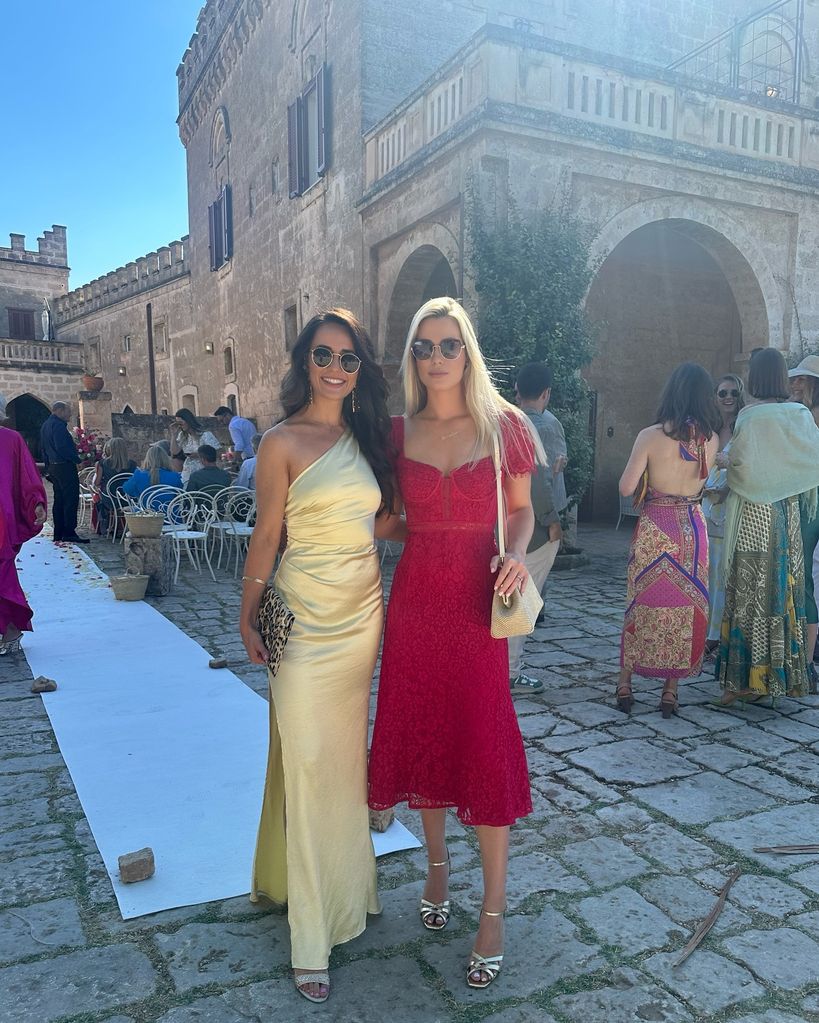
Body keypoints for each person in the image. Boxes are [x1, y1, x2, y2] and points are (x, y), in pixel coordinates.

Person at [368, 296, 542, 992]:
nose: (435, 357)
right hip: (414, 602)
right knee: (424, 732)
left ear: (467, 349)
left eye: (447, 344)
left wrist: (516, 553)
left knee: (482, 737)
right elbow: (383, 519)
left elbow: (522, 507)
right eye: (423, 346)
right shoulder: (393, 433)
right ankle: (436, 868)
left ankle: (492, 911)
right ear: (411, 357)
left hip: (479, 603)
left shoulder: (505, 426)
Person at [239, 309, 395, 1004]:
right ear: (305, 359)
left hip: (360, 617)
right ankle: (310, 933)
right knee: (305, 760)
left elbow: (381, 518)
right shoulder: (280, 441)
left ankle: (346, 892)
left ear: (361, 369)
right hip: (300, 621)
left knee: (340, 762)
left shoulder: (367, 438)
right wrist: (248, 611)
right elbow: (266, 534)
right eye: (324, 354)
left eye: (349, 358)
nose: (335, 367)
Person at [716, 348, 819, 704]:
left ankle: (740, 682)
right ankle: (777, 679)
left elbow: (742, 466)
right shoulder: (800, 415)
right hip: (787, 512)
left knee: (747, 592)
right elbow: (811, 461)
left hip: (753, 512)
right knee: (781, 591)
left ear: (755, 377)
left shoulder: (751, 416)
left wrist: (724, 460)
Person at [617, 363, 720, 717]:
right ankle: (670, 692)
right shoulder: (712, 440)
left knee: (641, 602)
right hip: (692, 527)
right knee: (686, 607)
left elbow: (626, 488)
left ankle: (625, 683)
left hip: (655, 527)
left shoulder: (649, 436)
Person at [509, 361, 568, 696]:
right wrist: (553, 521)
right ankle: (511, 673)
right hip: (538, 525)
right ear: (546, 393)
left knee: (509, 598)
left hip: (504, 524)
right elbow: (544, 475)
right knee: (521, 603)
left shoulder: (503, 421)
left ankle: (503, 668)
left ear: (517, 389)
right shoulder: (547, 425)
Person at [0, 394, 47, 655]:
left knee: (2, 574)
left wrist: (36, 502)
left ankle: (11, 630)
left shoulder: (10, 439)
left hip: (0, 519)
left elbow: (26, 475)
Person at [702, 374, 745, 658]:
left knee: (725, 572)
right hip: (706, 504)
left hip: (730, 505)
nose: (727, 397)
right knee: (707, 571)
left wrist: (729, 489)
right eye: (722, 393)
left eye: (732, 392)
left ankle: (719, 635)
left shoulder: (744, 428)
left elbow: (747, 466)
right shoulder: (709, 429)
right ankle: (704, 631)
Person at [788, 354, 819, 680]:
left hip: (810, 500)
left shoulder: (807, 417)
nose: (794, 384)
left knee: (804, 578)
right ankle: (805, 661)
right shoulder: (802, 414)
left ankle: (806, 663)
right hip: (808, 497)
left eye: (800, 379)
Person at [40, 401, 88, 544]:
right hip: (64, 467)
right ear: (59, 411)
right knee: (70, 499)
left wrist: (48, 468)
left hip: (54, 467)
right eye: (67, 411)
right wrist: (77, 460)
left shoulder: (45, 426)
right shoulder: (58, 426)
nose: (70, 414)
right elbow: (62, 447)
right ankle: (69, 532)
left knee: (59, 499)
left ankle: (58, 532)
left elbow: (43, 449)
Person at [94, 437, 137, 535]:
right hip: (128, 499)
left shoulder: (103, 463)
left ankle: (107, 525)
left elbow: (96, 483)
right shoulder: (132, 464)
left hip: (110, 498)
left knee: (98, 497)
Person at [170, 409, 221, 484]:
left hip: (204, 471)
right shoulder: (182, 436)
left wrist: (200, 455)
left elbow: (219, 452)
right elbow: (175, 452)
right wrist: (173, 435)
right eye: (178, 424)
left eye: (181, 423)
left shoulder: (205, 434)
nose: (180, 426)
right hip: (188, 471)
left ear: (188, 421)